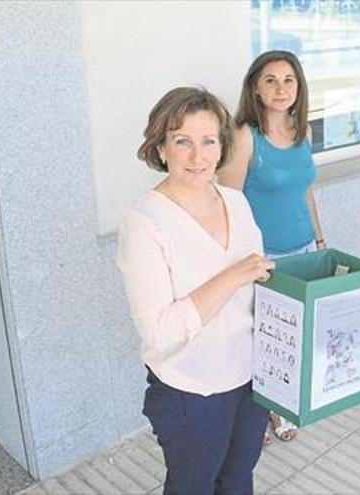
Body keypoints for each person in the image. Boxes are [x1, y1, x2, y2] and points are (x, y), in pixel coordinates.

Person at [117, 87, 274, 494]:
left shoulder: (236, 202)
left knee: (239, 477)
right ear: (161, 148)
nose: (197, 156)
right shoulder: (145, 222)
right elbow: (158, 333)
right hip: (192, 391)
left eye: (208, 141)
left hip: (251, 378)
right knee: (193, 487)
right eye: (182, 141)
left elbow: (257, 284)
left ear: (222, 147)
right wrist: (232, 276)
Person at [217, 50, 324, 443]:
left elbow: (306, 191)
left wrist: (321, 238)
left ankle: (279, 406)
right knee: (258, 339)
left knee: (290, 338)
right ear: (256, 89)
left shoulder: (304, 131)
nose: (281, 89)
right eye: (271, 81)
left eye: (288, 80)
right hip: (264, 258)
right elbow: (227, 203)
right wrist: (241, 261)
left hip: (303, 249)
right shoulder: (246, 136)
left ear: (299, 87)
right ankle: (254, 414)